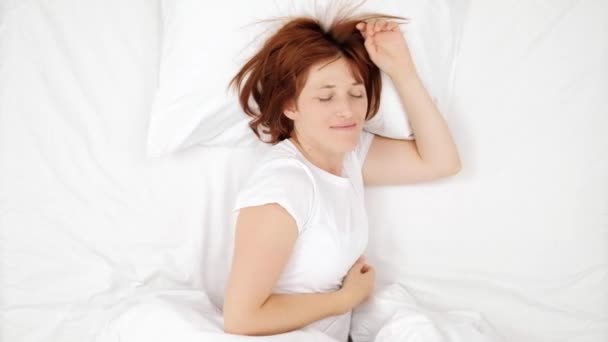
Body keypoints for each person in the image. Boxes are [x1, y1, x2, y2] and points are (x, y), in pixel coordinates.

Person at [222, 12, 461, 342]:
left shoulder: (348, 155)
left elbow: (441, 162)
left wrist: (402, 70)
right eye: (325, 96)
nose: (347, 111)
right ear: (290, 105)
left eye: (356, 93)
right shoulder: (284, 187)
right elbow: (241, 318)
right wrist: (345, 300)